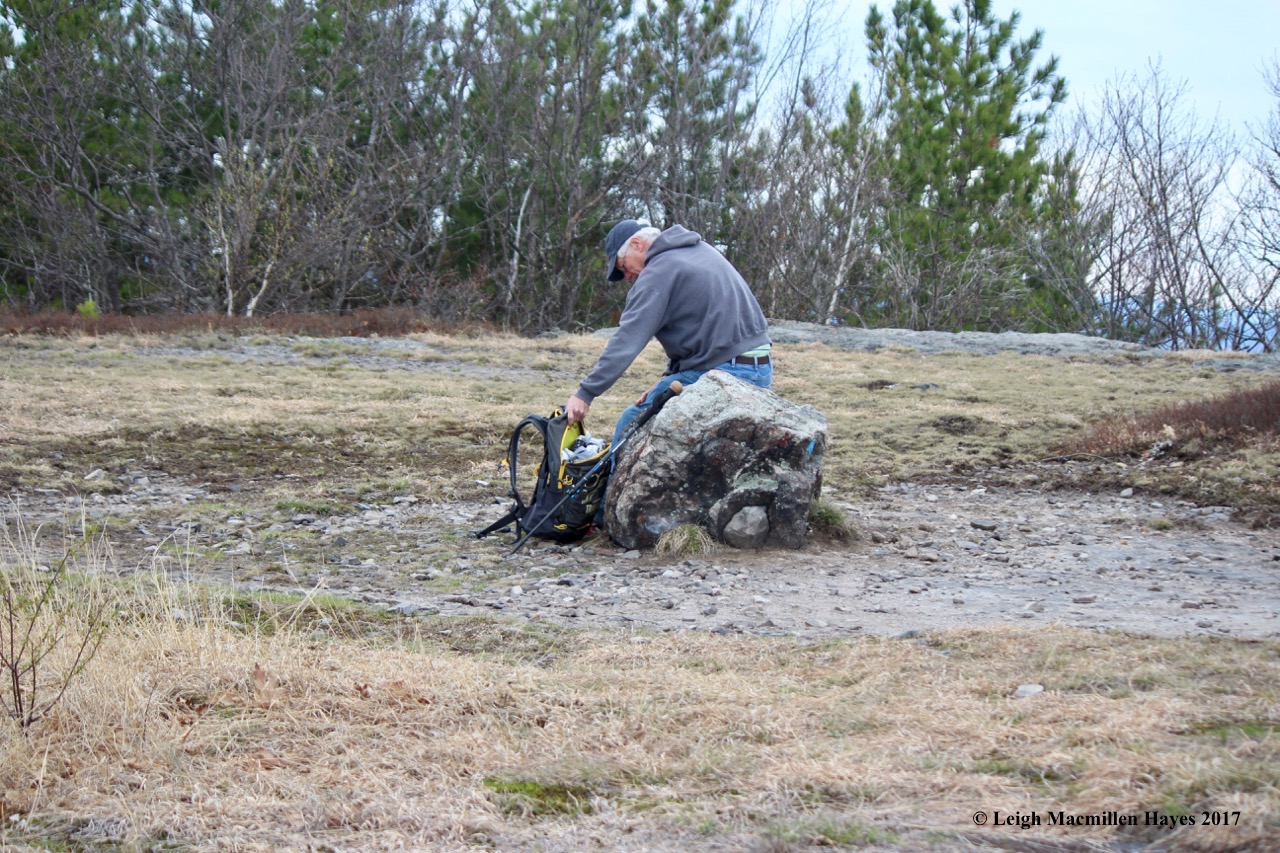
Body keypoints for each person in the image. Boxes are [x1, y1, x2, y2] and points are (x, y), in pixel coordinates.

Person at [564, 218, 773, 450]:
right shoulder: (699, 250)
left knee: (632, 421)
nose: (626, 276)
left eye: (622, 266)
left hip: (726, 372)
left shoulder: (657, 272)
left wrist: (585, 394)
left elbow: (627, 342)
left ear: (637, 244)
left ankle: (611, 486)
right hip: (760, 370)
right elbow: (701, 327)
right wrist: (669, 377)